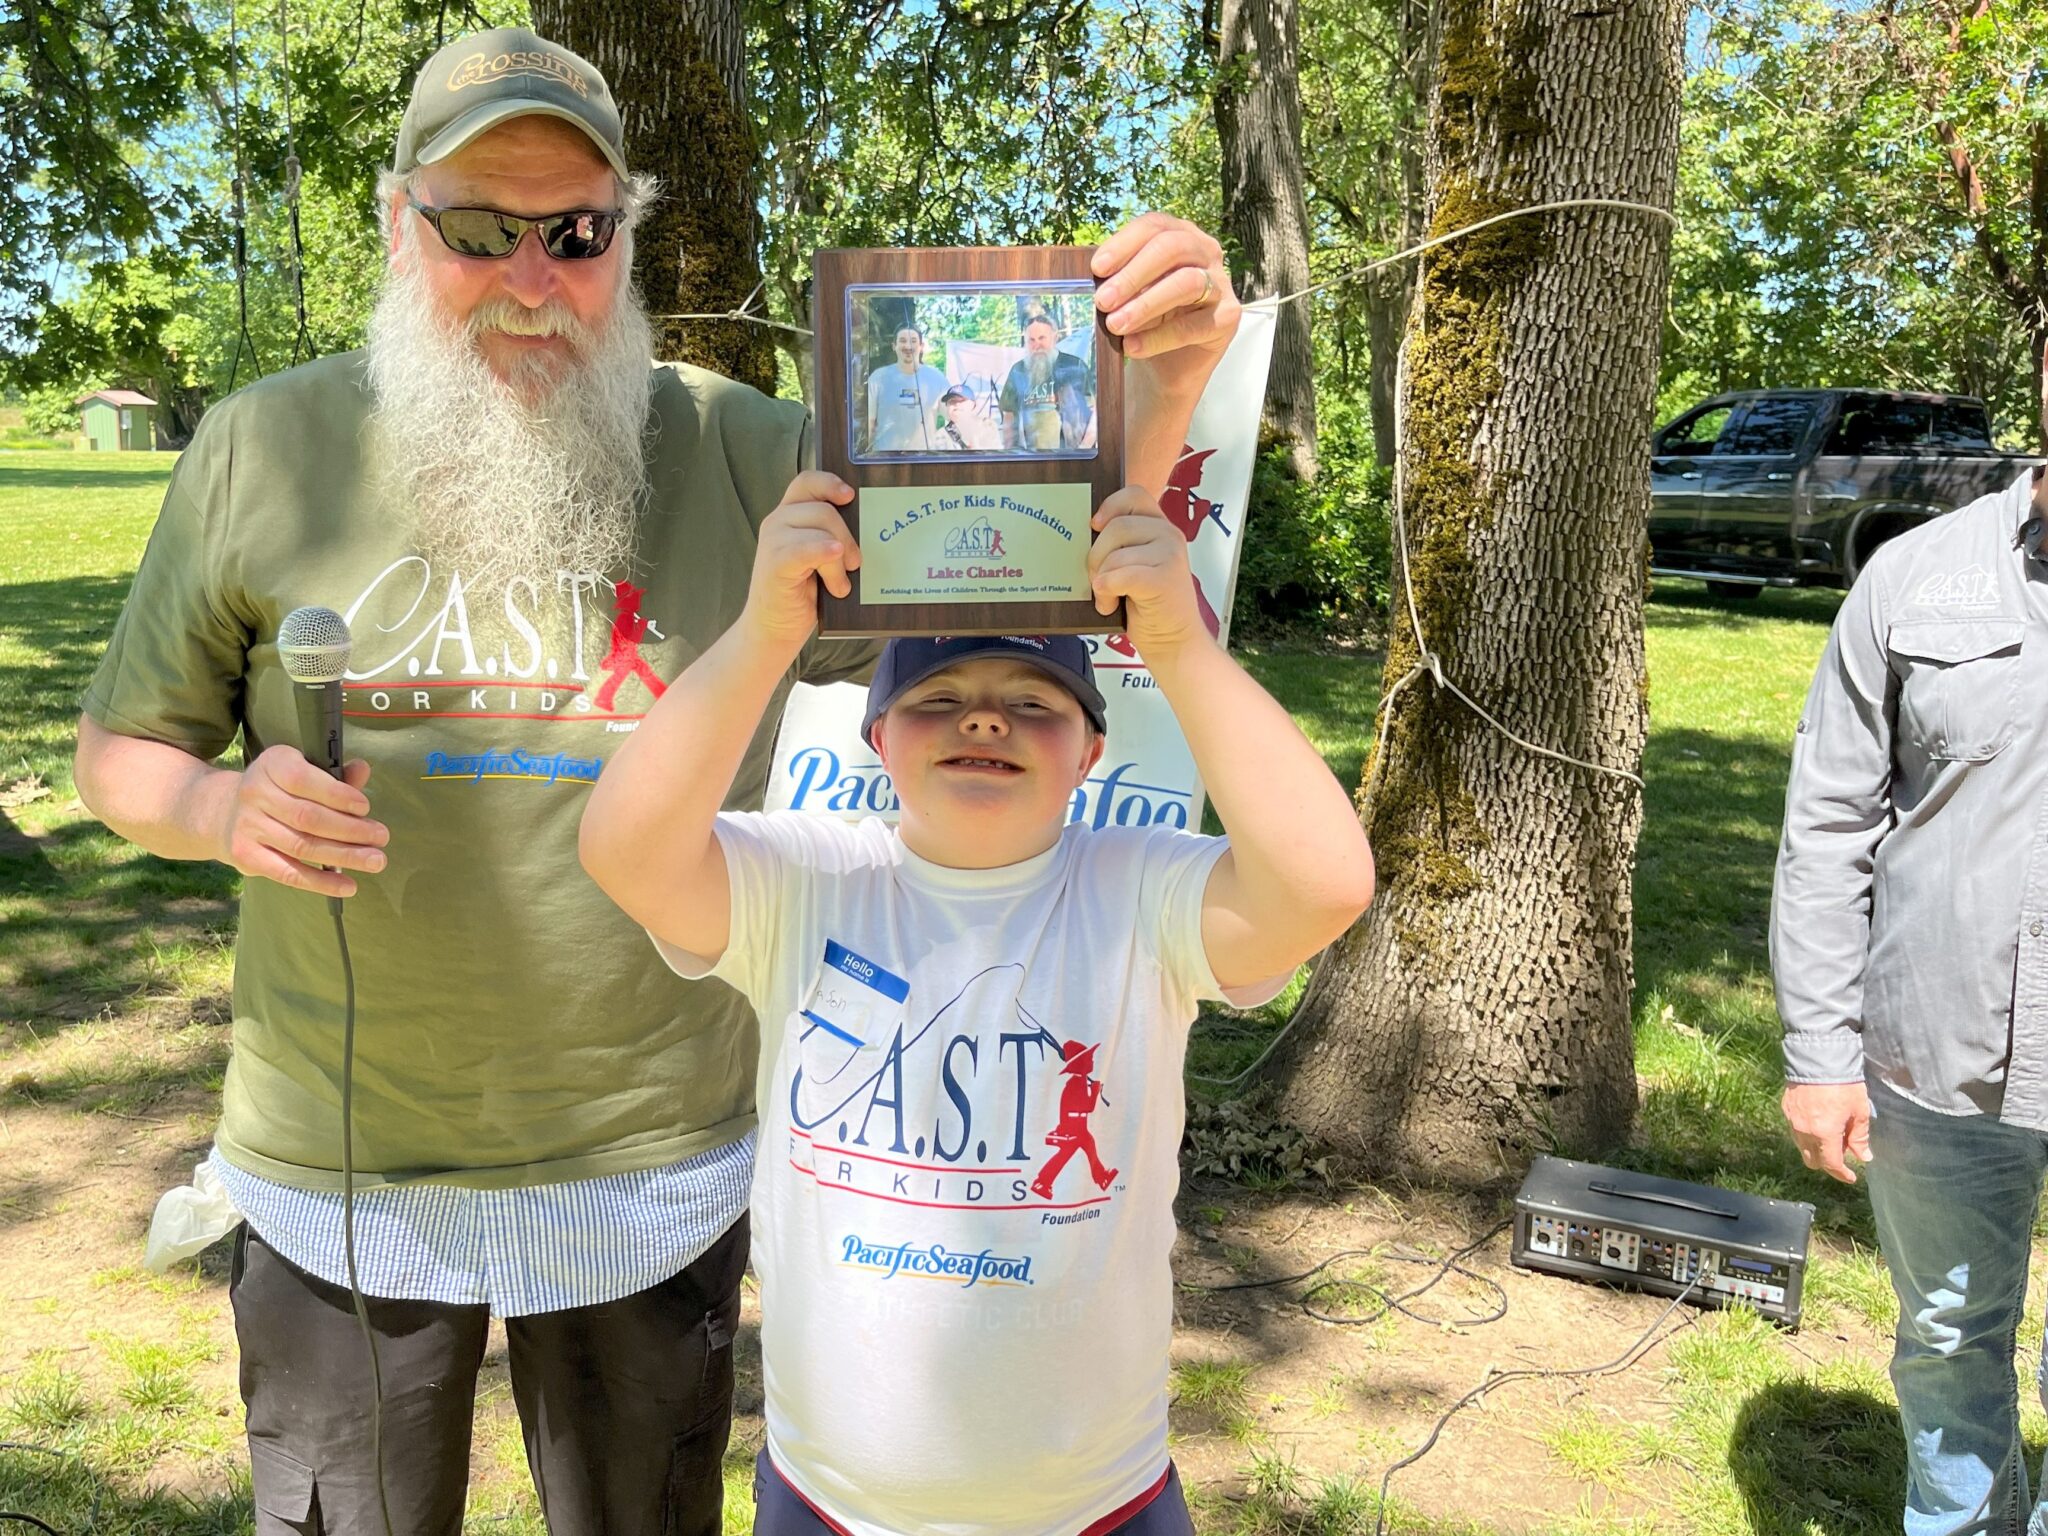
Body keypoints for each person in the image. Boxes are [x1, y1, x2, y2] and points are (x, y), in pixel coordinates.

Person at [70, 27, 881, 1536]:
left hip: (649, 1163)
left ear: (623, 236)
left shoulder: (733, 447)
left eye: (576, 234)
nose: (531, 278)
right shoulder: (262, 447)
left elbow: (1013, 567)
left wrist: (1142, 378)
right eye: (478, 229)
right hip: (342, 1171)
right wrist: (218, 810)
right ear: (400, 222)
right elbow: (120, 755)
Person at [578, 255, 1374, 1534]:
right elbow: (624, 848)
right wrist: (765, 631)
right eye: (936, 702)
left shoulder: (1140, 897)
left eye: (1034, 703)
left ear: (1091, 749)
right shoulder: (807, 880)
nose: (984, 721)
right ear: (877, 743)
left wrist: (1172, 641)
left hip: (1094, 1502)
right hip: (828, 1501)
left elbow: (1326, 880)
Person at [1774, 462, 2048, 1536]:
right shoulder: (1912, 576)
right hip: (1934, 1051)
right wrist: (1819, 1052)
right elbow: (1828, 829)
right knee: (1944, 1333)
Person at [1001, 313, 1095, 451]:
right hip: (1030, 460)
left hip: (1072, 457)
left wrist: (1084, 448)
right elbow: (1008, 416)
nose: (1036, 345)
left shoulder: (1075, 367)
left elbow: (1096, 412)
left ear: (1055, 338)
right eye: (1031, 340)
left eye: (1041, 338)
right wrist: (1010, 453)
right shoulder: (1018, 371)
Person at [863, 325, 950, 452]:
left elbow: (953, 416)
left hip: (925, 459)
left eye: (913, 341)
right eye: (903, 341)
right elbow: (869, 422)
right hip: (885, 458)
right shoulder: (878, 377)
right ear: (894, 346)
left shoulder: (937, 378)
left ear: (921, 347)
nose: (908, 346)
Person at [936, 383, 1002, 451]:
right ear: (947, 406)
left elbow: (997, 455)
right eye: (952, 401)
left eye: (961, 400)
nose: (956, 404)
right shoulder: (941, 434)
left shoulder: (987, 426)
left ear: (973, 405)